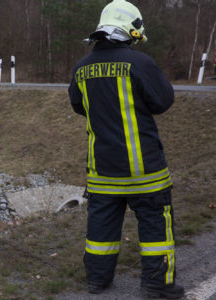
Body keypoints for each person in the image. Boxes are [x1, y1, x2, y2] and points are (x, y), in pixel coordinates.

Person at [68, 0, 184, 298]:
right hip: (145, 172)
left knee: (100, 232)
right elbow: (163, 102)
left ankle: (97, 281)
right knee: (155, 229)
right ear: (131, 29)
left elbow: (79, 107)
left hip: (102, 171)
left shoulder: (81, 68)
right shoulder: (140, 64)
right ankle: (156, 286)